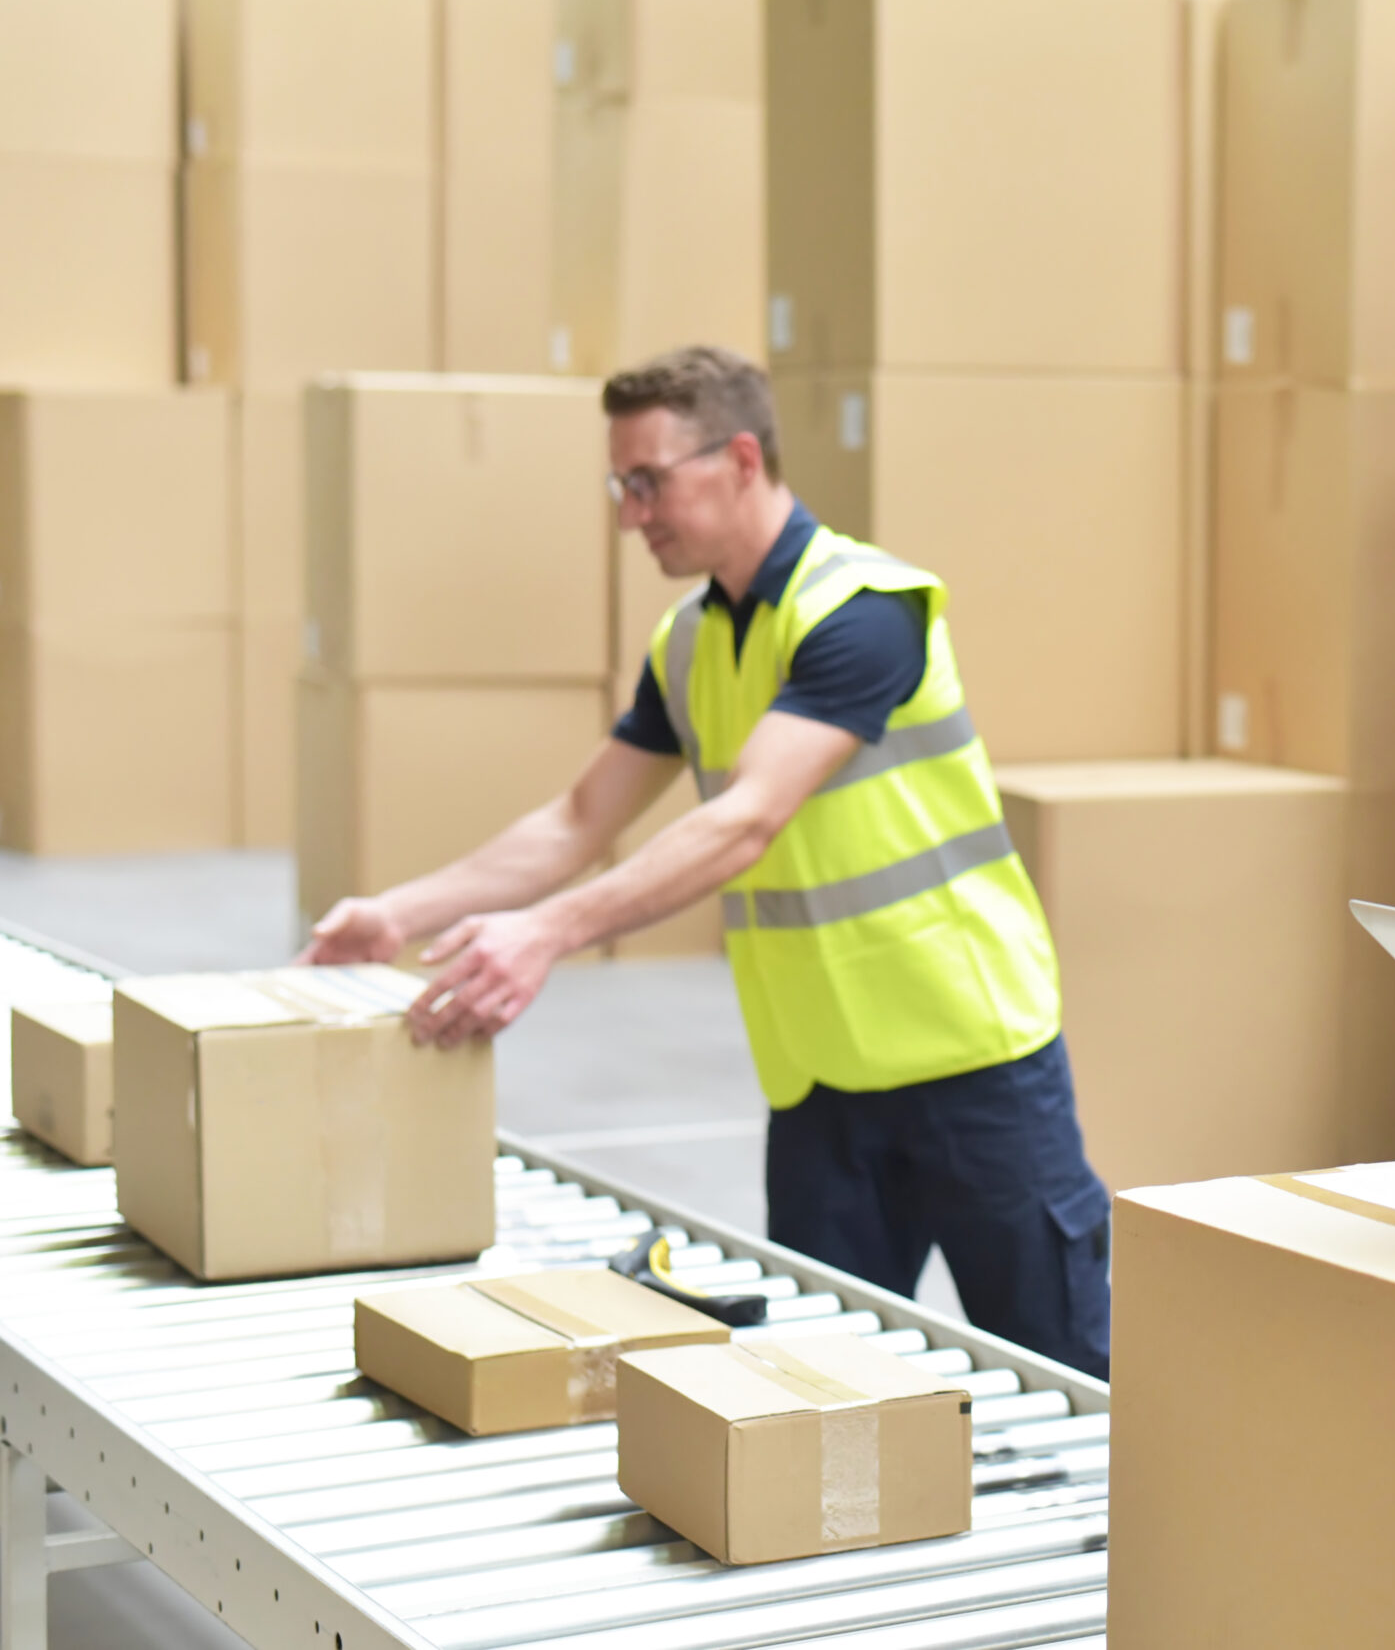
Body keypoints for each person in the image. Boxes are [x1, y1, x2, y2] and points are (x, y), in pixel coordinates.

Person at [302, 345, 1112, 1380]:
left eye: (648, 482)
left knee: (1061, 1372)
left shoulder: (863, 609)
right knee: (817, 1390)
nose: (630, 513)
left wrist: (549, 932)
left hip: (970, 1060)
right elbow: (579, 816)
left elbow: (745, 820)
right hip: (821, 1083)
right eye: (619, 485)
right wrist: (399, 911)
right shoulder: (689, 642)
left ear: (738, 457)